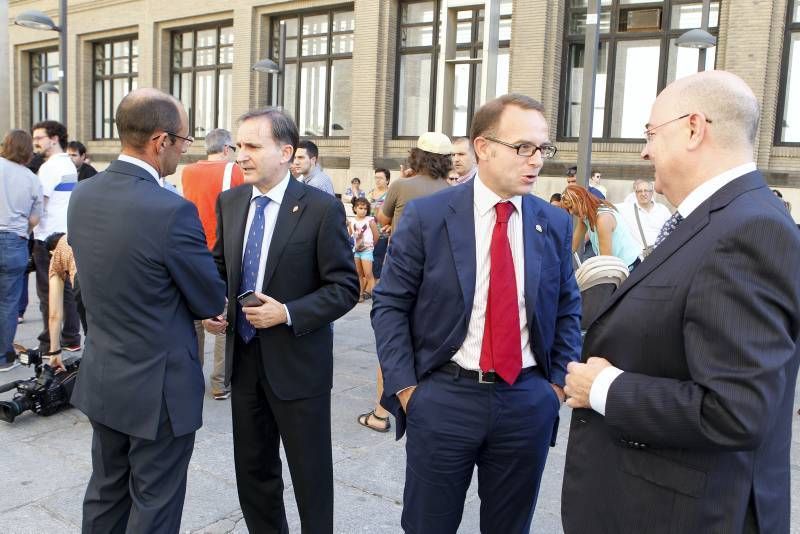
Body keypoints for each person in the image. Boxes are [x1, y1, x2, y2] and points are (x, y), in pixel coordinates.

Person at [561, 70, 800, 533]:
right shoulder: (720, 220)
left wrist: (605, 387)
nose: (645, 151)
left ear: (694, 128)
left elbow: (736, 409)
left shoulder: (747, 229)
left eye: (650, 134)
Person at [373, 94, 582, 533]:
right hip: (445, 396)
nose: (536, 161)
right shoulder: (430, 216)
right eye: (523, 147)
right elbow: (390, 303)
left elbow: (567, 308)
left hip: (526, 400)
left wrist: (556, 388)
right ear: (482, 148)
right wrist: (407, 389)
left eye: (543, 149)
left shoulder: (554, 223)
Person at [67, 88, 226, 533]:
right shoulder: (170, 210)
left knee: (105, 492)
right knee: (155, 504)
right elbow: (209, 299)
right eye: (184, 141)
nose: (183, 151)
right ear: (160, 141)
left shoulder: (84, 194)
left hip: (103, 376)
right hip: (158, 391)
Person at [203, 107, 359, 533]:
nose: (241, 155)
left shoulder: (321, 209)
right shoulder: (231, 201)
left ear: (286, 152)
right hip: (244, 360)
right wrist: (214, 304)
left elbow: (344, 288)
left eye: (253, 146)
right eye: (238, 146)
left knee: (310, 476)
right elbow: (220, 267)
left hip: (297, 365)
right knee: (253, 473)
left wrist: (287, 312)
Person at [359, 132, 453, 433]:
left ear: (416, 157)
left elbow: (383, 220)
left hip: (399, 274)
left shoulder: (401, 185)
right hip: (438, 277)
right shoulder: (453, 190)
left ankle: (380, 413)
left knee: (391, 340)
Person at [182, 128, 244, 401]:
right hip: (222, 251)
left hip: (192, 251)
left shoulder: (187, 171)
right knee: (223, 319)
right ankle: (220, 383)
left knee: (194, 319)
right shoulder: (235, 171)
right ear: (228, 149)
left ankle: (192, 379)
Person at [31, 120, 81, 353]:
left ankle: (47, 343)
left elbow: (40, 204)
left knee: (47, 293)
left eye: (39, 138)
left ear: (54, 138)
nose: (35, 143)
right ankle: (71, 337)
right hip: (66, 234)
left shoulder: (50, 168)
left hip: (48, 236)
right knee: (68, 291)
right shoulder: (69, 166)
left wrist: (30, 230)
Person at [0, 130, 43, 372]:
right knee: (8, 303)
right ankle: (3, 358)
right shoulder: (32, 178)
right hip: (15, 242)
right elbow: (35, 218)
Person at [561, 184, 641, 270]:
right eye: (568, 209)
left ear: (580, 201)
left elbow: (606, 262)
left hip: (629, 267)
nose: (571, 212)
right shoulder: (584, 216)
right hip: (617, 267)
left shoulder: (602, 219)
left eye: (571, 207)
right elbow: (572, 246)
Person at [615, 178, 672, 257]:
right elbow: (606, 206)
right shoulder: (627, 209)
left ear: (651, 193)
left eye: (646, 191)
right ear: (635, 193)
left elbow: (672, 230)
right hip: (642, 258)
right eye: (639, 191)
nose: (643, 194)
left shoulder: (662, 210)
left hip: (662, 254)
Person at [350, 197, 379, 303]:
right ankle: (360, 294)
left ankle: (376, 296)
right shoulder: (352, 221)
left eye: (365, 209)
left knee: (368, 274)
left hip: (367, 251)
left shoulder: (370, 220)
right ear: (355, 208)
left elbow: (376, 235)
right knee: (359, 274)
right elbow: (350, 235)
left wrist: (371, 246)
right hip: (356, 251)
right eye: (361, 208)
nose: (363, 210)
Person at [367, 168, 391, 281]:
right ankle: (367, 287)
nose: (378, 180)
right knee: (366, 260)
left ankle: (374, 289)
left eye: (380, 178)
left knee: (377, 260)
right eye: (376, 178)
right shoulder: (370, 193)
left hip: (382, 233)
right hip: (366, 234)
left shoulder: (390, 195)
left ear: (387, 180)